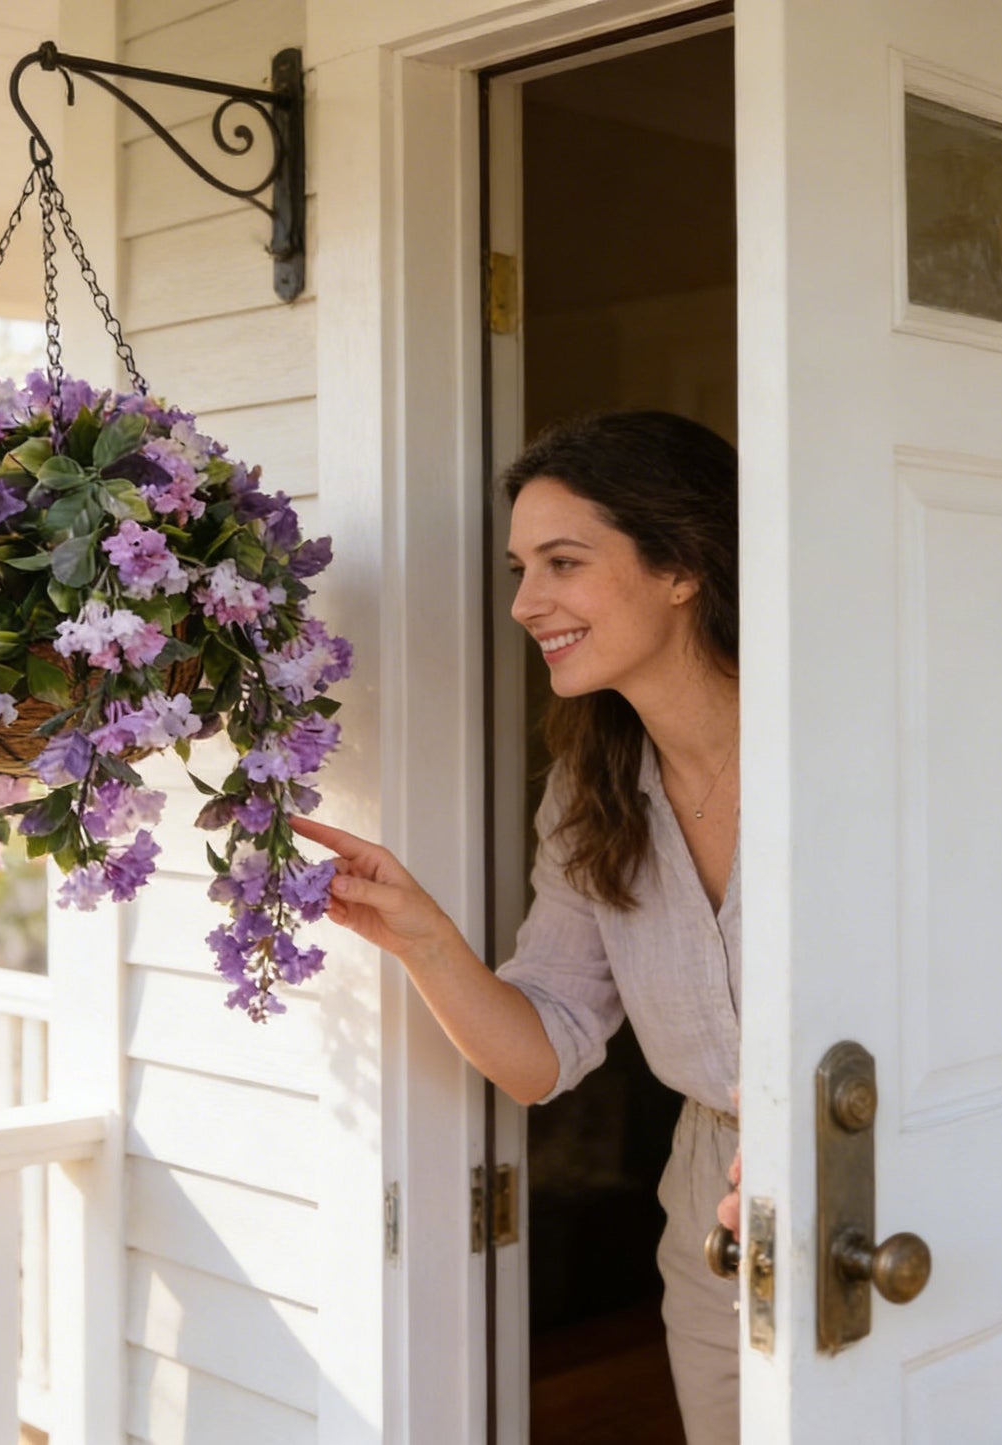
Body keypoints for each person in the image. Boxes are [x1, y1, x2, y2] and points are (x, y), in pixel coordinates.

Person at [292, 411, 742, 1445]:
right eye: (518, 567)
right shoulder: (591, 794)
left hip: (884, 1188)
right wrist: (419, 934)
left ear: (680, 564)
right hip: (708, 1226)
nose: (523, 603)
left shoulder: (843, 739)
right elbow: (540, 1055)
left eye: (561, 563)